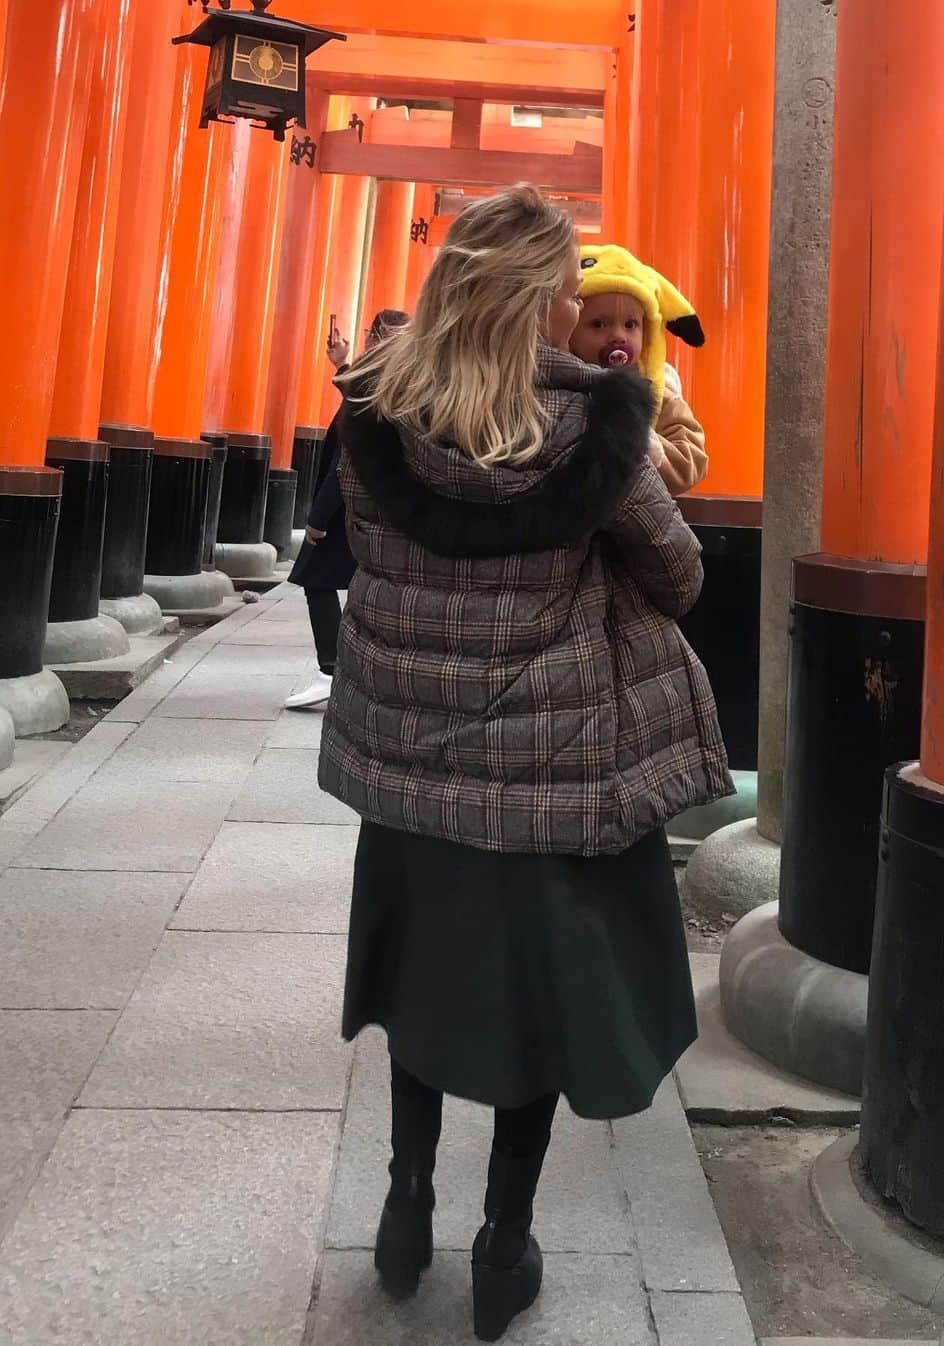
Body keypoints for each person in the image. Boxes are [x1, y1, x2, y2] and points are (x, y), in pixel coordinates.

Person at [317, 187, 733, 1341]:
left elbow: (366, 546)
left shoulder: (372, 413)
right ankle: (504, 1240)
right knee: (535, 1018)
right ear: (544, 301)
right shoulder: (595, 426)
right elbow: (681, 573)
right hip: (549, 781)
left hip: (409, 772)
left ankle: (407, 1199)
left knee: (420, 988)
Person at [285, 309, 410, 710]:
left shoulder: (383, 390)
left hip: (348, 506)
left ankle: (333, 670)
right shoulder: (398, 386)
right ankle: (356, 671)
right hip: (377, 507)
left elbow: (346, 460)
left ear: (375, 338)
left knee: (316, 579)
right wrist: (341, 363)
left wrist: (317, 519)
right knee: (366, 587)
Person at [569, 242, 709, 496]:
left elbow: (692, 461)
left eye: (631, 324)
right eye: (599, 324)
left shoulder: (659, 391)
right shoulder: (560, 385)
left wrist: (646, 444)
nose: (618, 336)